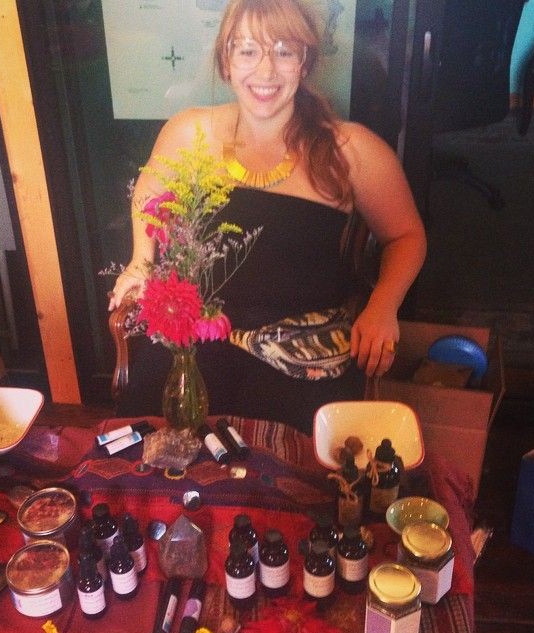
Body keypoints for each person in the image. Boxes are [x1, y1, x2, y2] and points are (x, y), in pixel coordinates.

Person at [108, 0, 426, 434]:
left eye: (283, 50)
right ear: (226, 60)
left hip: (298, 356)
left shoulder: (352, 150)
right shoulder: (189, 131)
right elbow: (148, 193)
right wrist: (140, 262)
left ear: (305, 62)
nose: (265, 71)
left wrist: (383, 306)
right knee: (150, 445)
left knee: (280, 473)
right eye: (247, 51)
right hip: (195, 341)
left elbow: (406, 236)